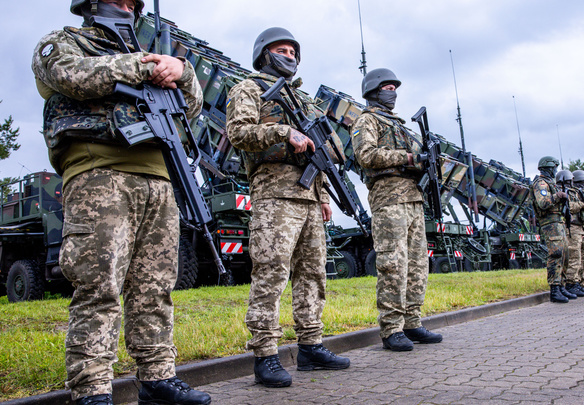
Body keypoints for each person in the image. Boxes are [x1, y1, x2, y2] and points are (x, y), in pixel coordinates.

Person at [31, 1, 210, 404]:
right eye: (120, 0)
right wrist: (144, 67)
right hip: (99, 170)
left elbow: (191, 109)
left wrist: (183, 73)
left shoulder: (158, 55)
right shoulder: (64, 41)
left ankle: (157, 377)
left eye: (134, 3)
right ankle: (92, 386)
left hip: (158, 176)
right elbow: (71, 76)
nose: (128, 6)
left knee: (156, 286)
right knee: (99, 283)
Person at [225, 27, 350, 388]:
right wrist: (283, 132)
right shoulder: (247, 89)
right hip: (275, 196)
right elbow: (239, 133)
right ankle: (265, 355)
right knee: (271, 274)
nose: (289, 57)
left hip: (310, 198)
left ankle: (311, 346)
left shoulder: (305, 100)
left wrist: (324, 198)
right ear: (264, 54)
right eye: (281, 50)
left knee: (313, 276)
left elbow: (325, 153)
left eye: (294, 52)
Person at [351, 68, 443, 351]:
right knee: (393, 263)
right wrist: (409, 157)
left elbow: (420, 160)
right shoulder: (366, 120)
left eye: (394, 87)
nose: (393, 92)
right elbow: (365, 155)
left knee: (418, 265)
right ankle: (391, 329)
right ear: (374, 90)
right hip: (389, 200)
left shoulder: (401, 125)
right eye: (387, 87)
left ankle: (412, 322)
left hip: (413, 200)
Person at [530, 157, 576, 303]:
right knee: (556, 254)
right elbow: (543, 203)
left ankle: (561, 285)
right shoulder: (540, 183)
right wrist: (558, 196)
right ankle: (554, 289)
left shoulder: (551, 183)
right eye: (554, 168)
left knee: (564, 254)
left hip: (558, 222)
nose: (556, 171)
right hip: (550, 223)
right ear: (548, 168)